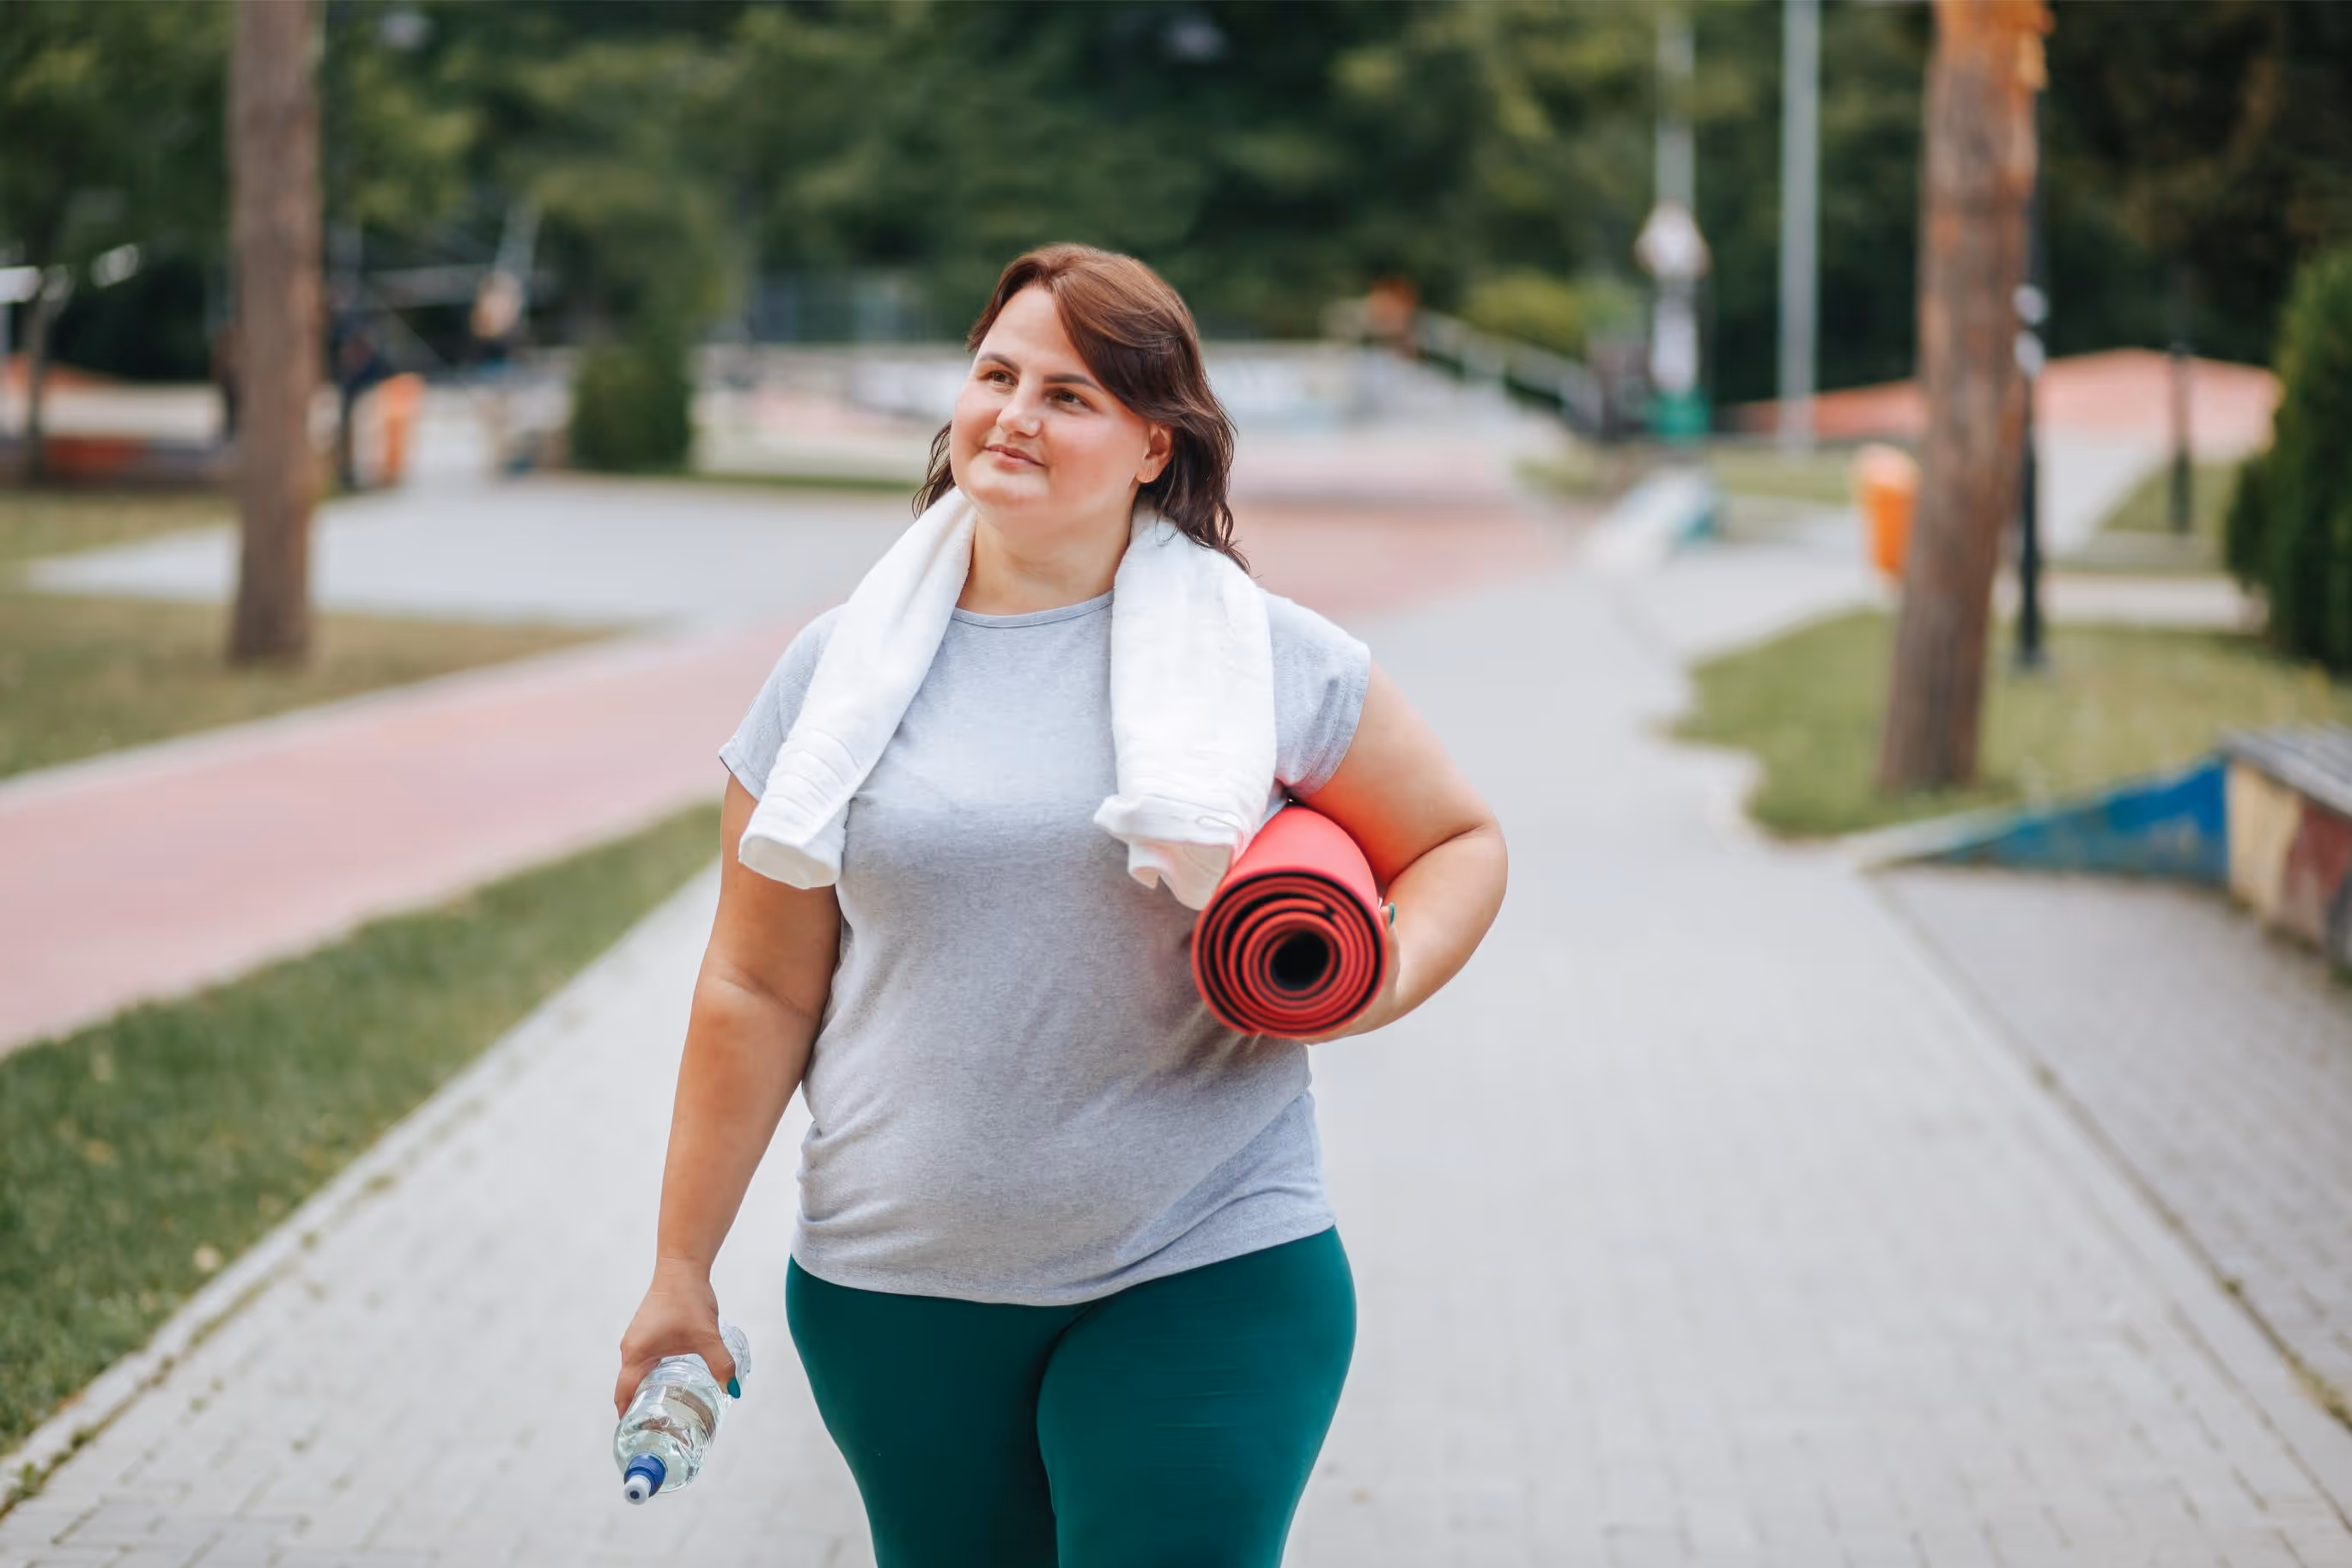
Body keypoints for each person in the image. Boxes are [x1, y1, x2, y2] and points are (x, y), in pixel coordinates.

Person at [613, 243, 1508, 1567]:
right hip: (892, 1287)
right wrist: (681, 1267)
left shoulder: (1256, 651)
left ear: (1155, 444)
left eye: (1070, 395)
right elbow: (759, 985)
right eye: (995, 374)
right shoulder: (836, 671)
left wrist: (1378, 977)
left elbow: (1455, 840)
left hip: (1204, 1259)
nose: (1015, 415)